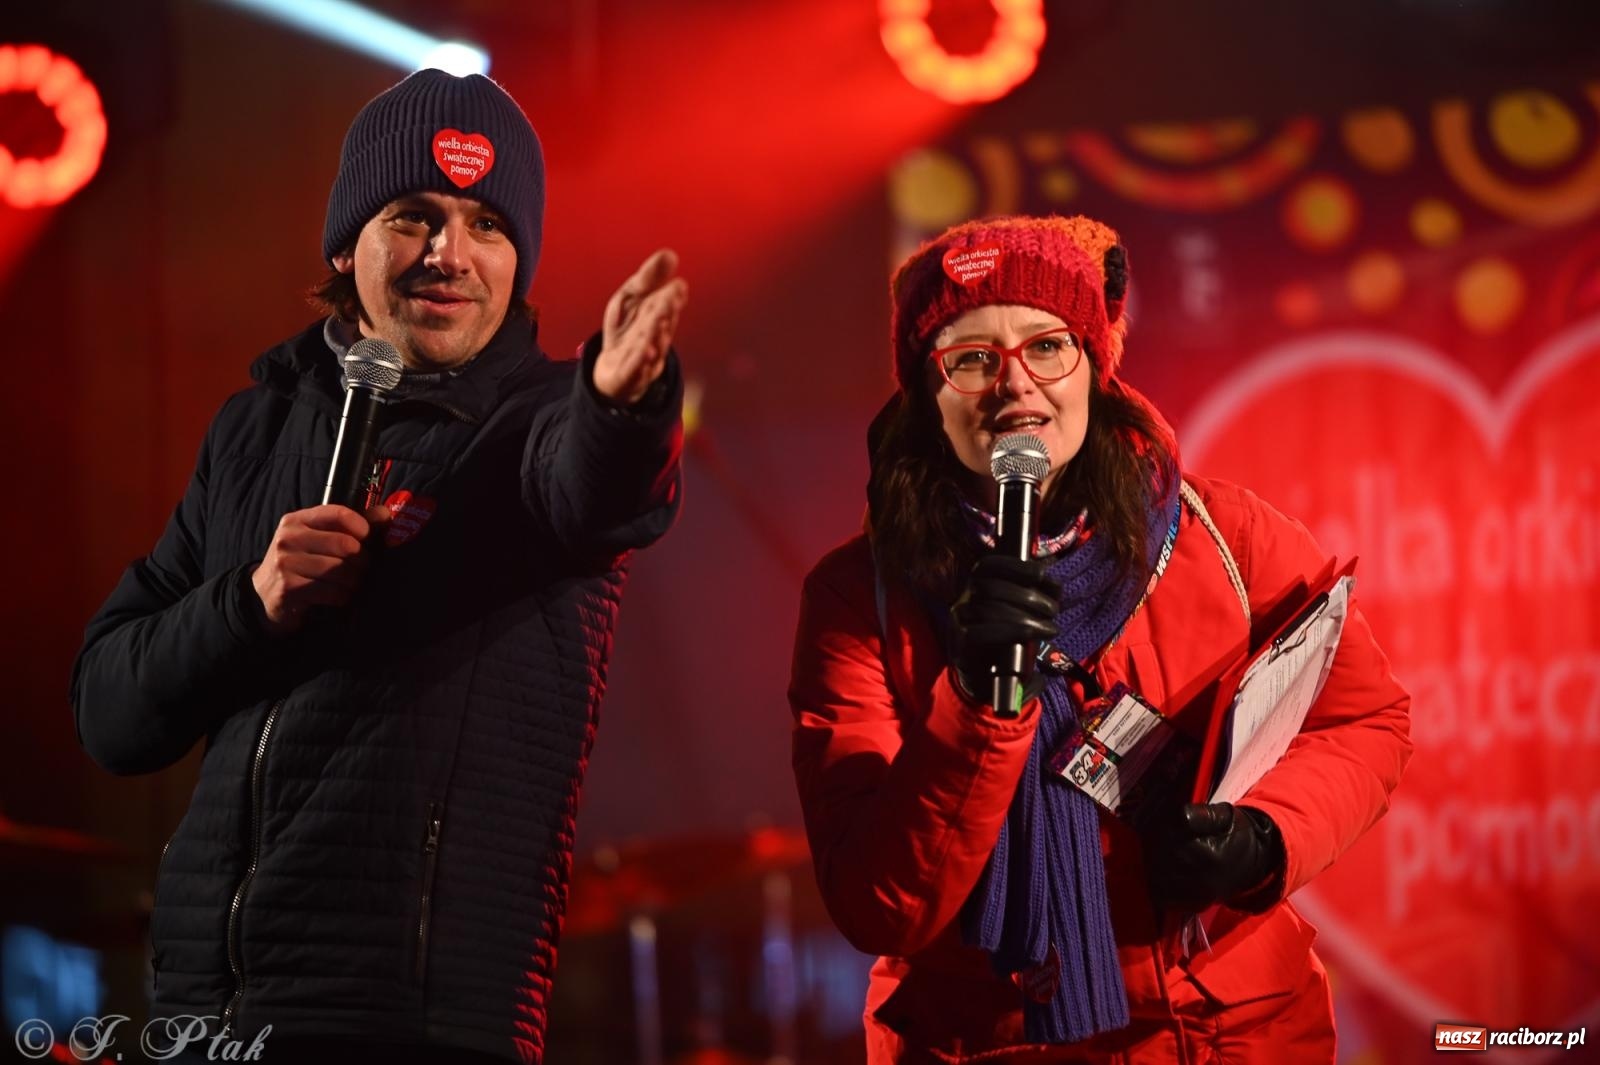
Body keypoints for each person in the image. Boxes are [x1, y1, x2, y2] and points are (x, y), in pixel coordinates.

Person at [70, 69, 687, 1064]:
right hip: (201, 1020)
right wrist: (251, 605)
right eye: (415, 215)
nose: (450, 254)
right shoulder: (254, 426)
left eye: (487, 225)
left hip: (414, 1024)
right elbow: (109, 711)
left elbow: (601, 487)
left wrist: (620, 403)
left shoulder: (535, 424)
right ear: (345, 244)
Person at [788, 214, 1411, 1063]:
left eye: (1047, 347)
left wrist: (1265, 839)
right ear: (926, 398)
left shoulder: (1226, 535)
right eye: (971, 360)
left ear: (1094, 365)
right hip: (987, 1043)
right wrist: (971, 703)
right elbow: (879, 905)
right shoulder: (859, 597)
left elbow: (1364, 720)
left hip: (1223, 1036)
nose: (1017, 388)